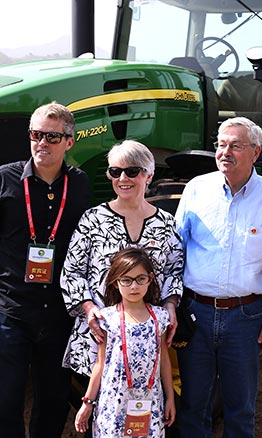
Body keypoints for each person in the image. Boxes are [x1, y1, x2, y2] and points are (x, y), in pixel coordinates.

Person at [174, 117, 262, 437]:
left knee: (240, 409)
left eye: (235, 146)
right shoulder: (196, 190)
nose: (225, 152)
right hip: (195, 313)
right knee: (193, 405)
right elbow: (175, 251)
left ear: (255, 153)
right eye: (221, 144)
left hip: (247, 317)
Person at [0, 102, 89, 437]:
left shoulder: (79, 185)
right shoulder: (5, 179)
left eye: (52, 137)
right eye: (36, 134)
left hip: (58, 314)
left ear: (69, 141)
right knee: (5, 400)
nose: (42, 143)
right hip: (12, 312)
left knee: (52, 401)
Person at [61, 139, 183, 379]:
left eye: (132, 171)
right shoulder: (93, 220)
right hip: (100, 336)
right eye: (115, 171)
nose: (123, 178)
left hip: (146, 340)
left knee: (141, 410)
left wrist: (170, 306)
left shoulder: (167, 223)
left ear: (149, 175)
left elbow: (174, 271)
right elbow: (72, 273)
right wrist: (89, 309)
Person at [74, 247, 175, 437]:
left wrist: (170, 398)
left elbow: (164, 361)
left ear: (150, 279)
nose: (134, 286)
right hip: (113, 404)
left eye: (140, 279)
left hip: (150, 404)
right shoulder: (107, 318)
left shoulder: (160, 317)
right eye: (126, 280)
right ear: (115, 282)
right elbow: (100, 363)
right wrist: (87, 402)